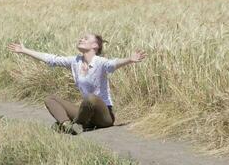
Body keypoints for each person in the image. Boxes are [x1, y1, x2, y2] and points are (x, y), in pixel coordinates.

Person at [8, 33, 147, 135]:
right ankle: (68, 125)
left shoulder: (100, 62)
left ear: (95, 46)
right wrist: (24, 50)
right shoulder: (75, 61)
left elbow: (112, 64)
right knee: (50, 99)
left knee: (90, 98)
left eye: (85, 38)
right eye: (81, 38)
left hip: (103, 116)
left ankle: (75, 125)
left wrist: (130, 59)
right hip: (86, 113)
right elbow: (51, 59)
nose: (81, 39)